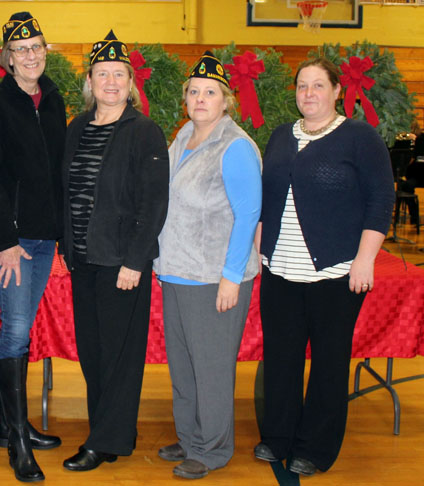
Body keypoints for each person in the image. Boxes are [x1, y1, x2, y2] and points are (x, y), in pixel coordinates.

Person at [254, 57, 394, 477]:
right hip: (280, 273)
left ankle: (315, 448)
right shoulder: (281, 136)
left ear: (337, 91)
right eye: (302, 86)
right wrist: (261, 245)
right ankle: (278, 437)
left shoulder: (359, 137)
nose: (309, 93)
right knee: (281, 359)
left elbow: (380, 201)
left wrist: (365, 259)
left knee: (329, 364)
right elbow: (268, 196)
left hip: (335, 275)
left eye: (318, 85)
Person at [61, 30, 169, 473]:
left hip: (121, 262)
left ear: (130, 82)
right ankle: (111, 428)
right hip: (83, 260)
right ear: (90, 80)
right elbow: (66, 192)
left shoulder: (145, 132)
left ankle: (105, 441)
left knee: (120, 355)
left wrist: (135, 260)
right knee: (93, 352)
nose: (110, 81)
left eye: (118, 74)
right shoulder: (77, 127)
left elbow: (154, 202)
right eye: (102, 74)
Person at [154, 52, 262, 480]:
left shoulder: (234, 146)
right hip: (177, 271)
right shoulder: (183, 136)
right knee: (183, 365)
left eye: (210, 92)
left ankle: (212, 449)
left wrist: (232, 277)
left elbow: (248, 212)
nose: (200, 99)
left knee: (212, 367)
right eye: (194, 92)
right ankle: (190, 437)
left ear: (226, 101)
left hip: (214, 276)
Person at [0, 11, 65, 483]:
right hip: (13, 240)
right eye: (21, 50)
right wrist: (2, 240)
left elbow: (58, 174)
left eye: (37, 47)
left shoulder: (53, 99)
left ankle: (13, 425)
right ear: (8, 58)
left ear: (45, 52)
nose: (31, 55)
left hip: (45, 237)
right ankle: (18, 445)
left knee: (21, 330)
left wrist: (62, 236)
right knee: (16, 330)